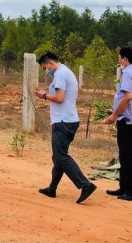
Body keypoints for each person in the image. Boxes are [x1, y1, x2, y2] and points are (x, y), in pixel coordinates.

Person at [34, 52, 97, 204]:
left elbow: (59, 98)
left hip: (63, 121)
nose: (46, 71)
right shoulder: (65, 72)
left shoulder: (60, 74)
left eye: (45, 67)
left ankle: (85, 185)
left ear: (50, 63)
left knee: (61, 156)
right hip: (67, 120)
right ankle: (52, 188)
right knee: (58, 157)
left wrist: (44, 96)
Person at [103, 46, 132, 201]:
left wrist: (114, 115)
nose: (119, 59)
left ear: (124, 59)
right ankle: (124, 187)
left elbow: (127, 97)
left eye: (119, 57)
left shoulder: (128, 73)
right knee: (125, 155)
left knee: (128, 157)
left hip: (126, 122)